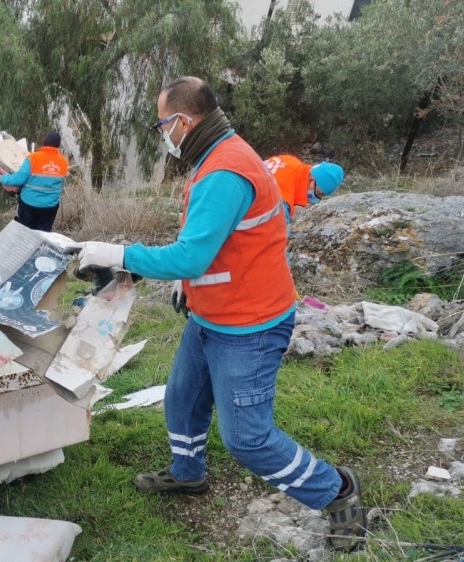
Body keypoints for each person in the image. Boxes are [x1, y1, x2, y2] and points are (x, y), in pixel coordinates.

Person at [74, 77, 365, 552]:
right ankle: (187, 474)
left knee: (248, 439)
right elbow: (213, 245)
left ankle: (338, 491)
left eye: (161, 124)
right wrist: (183, 284)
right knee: (183, 400)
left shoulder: (224, 172)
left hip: (248, 327)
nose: (162, 134)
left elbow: (191, 254)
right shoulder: (214, 155)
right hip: (212, 316)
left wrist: (120, 253)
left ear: (183, 122)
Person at [0, 131, 68, 232]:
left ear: (44, 142)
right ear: (58, 145)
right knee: (43, 234)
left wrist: (2, 178)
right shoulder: (63, 162)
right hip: (50, 206)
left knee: (25, 233)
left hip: (29, 205)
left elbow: (18, 179)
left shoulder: (33, 158)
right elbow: (61, 183)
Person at [264, 154, 344, 221]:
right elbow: (278, 232)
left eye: (321, 196)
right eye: (318, 193)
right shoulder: (283, 199)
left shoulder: (291, 161)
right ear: (311, 179)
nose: (317, 199)